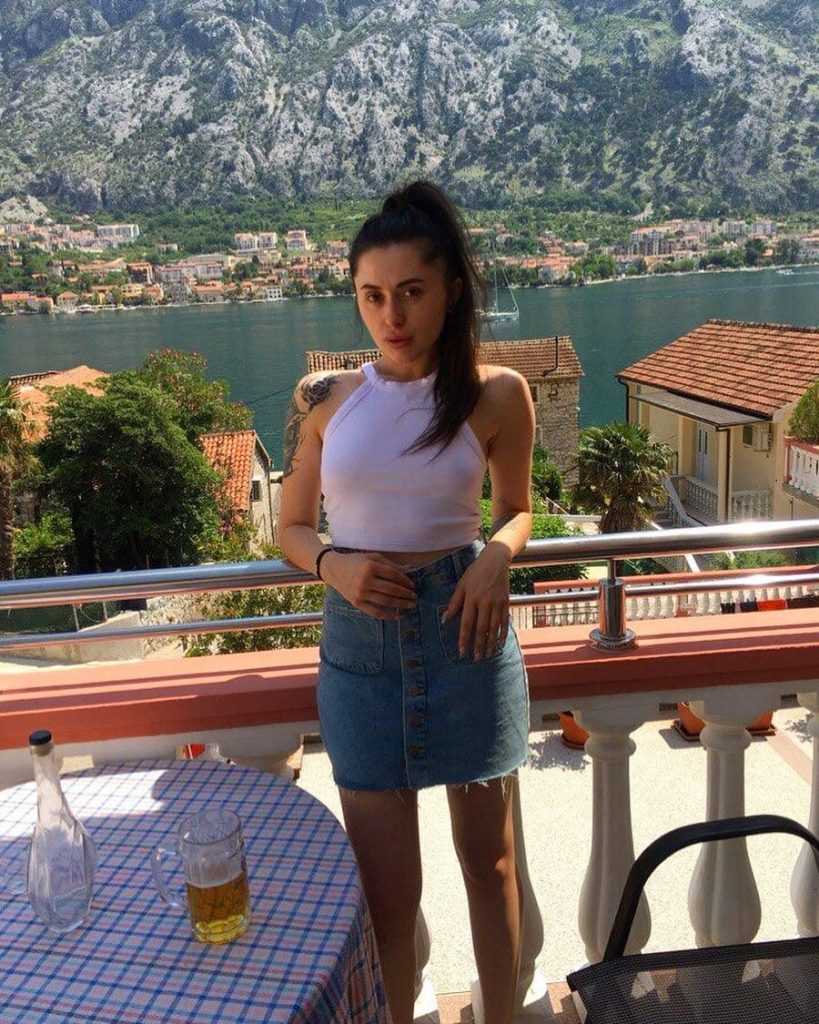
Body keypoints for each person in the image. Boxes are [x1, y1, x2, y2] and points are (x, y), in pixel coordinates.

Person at [279, 180, 534, 1024]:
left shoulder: (498, 393)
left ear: (450, 290)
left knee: (490, 867)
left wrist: (496, 556)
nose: (391, 315)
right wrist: (334, 566)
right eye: (371, 295)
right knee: (388, 896)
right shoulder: (324, 399)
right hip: (362, 646)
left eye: (411, 291)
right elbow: (288, 528)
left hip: (468, 633)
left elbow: (517, 508)